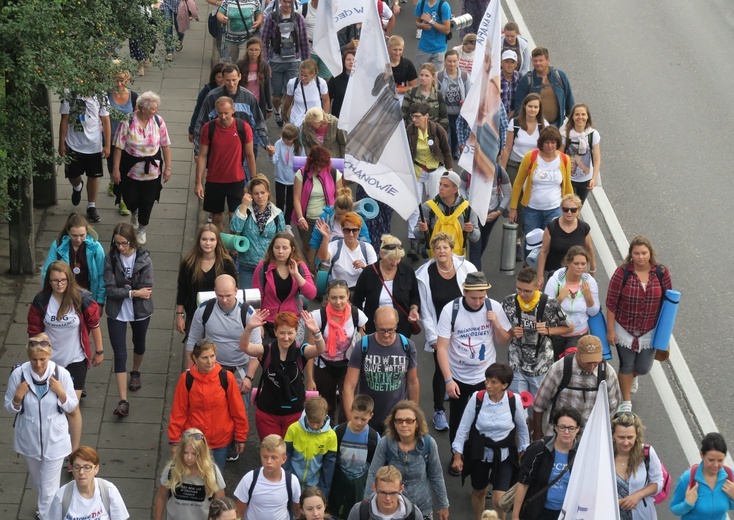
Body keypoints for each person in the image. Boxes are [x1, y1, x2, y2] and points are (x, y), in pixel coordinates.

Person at [435, 271, 513, 462]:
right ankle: (457, 456)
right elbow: (442, 348)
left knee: (484, 418)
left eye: (481, 297)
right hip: (459, 376)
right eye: (473, 298)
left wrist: (495, 323)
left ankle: (480, 456)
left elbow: (504, 340)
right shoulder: (450, 310)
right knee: (458, 419)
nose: (478, 302)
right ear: (464, 292)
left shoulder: (493, 307)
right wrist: (448, 380)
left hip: (485, 377)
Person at [28, 262, 102, 452]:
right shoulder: (41, 301)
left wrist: (99, 351)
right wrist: (38, 354)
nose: (59, 284)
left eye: (63, 280)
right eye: (55, 280)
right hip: (50, 364)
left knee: (71, 407)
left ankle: (73, 451)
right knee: (51, 407)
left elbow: (94, 325)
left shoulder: (80, 299)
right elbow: (34, 331)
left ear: (69, 280)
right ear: (49, 281)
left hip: (75, 361)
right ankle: (55, 445)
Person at [5, 335, 79, 520]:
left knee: (48, 489)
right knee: (39, 483)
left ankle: (48, 515)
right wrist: (17, 398)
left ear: (50, 356)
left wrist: (61, 393)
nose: (38, 364)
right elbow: (8, 407)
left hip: (56, 440)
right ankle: (50, 506)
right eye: (34, 360)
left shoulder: (60, 374)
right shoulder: (19, 374)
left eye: (42, 359)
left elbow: (72, 407)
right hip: (29, 440)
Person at [416, 232, 478, 432]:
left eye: (445, 247)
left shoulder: (467, 268)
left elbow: (477, 299)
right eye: (438, 248)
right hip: (441, 329)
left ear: (453, 250)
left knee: (465, 366)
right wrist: (432, 336)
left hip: (464, 329)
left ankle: (468, 407)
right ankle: (439, 410)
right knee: (441, 369)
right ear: (433, 251)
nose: (442, 251)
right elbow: (425, 309)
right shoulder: (424, 273)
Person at [451, 363, 530, 520]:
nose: (488, 384)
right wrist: (457, 456)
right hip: (480, 452)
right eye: (487, 380)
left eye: (493, 382)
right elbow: (463, 428)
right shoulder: (477, 398)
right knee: (479, 491)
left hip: (504, 454)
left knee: (499, 500)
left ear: (505, 385)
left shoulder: (515, 401)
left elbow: (522, 429)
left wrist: (523, 452)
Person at [606, 236, 672, 413]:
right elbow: (611, 302)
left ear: (650, 253)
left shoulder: (661, 272)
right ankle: (625, 401)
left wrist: (665, 332)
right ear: (631, 254)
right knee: (626, 365)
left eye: (644, 253)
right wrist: (610, 330)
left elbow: (669, 302)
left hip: (649, 330)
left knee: (643, 367)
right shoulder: (623, 273)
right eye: (637, 253)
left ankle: (631, 378)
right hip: (624, 328)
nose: (641, 257)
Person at [241, 310, 325, 439]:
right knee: (271, 453)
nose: (286, 338)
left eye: (290, 333)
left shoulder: (301, 351)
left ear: (296, 332)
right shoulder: (266, 350)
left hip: (295, 413)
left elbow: (320, 349)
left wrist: (316, 332)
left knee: (290, 454)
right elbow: (245, 347)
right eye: (282, 333)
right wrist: (249, 328)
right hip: (267, 413)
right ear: (275, 332)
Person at [186, 274, 263, 413]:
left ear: (236, 291)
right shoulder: (204, 310)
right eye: (220, 295)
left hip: (239, 370)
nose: (224, 300)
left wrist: (249, 377)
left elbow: (257, 350)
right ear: (215, 291)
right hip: (211, 369)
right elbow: (192, 341)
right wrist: (188, 371)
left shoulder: (247, 313)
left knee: (239, 412)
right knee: (210, 410)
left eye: (228, 295)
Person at [168, 340, 249, 470]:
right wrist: (174, 439)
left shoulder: (226, 377)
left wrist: (240, 437)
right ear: (195, 358)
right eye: (204, 358)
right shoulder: (186, 379)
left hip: (221, 440)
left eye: (212, 356)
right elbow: (179, 411)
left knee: (215, 480)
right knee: (195, 480)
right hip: (194, 441)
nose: (209, 361)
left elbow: (238, 410)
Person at [364, 401, 449, 520]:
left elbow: (436, 476)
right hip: (392, 511)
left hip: (422, 509)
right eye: (399, 420)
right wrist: (367, 505)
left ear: (417, 423)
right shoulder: (385, 444)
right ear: (394, 424)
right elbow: (373, 473)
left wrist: (443, 504)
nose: (404, 424)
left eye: (409, 421)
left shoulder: (429, 444)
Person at [342, 307, 420, 434]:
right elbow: (349, 387)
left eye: (391, 330)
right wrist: (353, 422)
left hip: (397, 418)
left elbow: (412, 382)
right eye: (381, 330)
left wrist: (413, 415)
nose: (387, 334)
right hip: (367, 417)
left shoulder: (407, 346)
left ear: (397, 323)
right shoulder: (362, 346)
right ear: (374, 324)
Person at [104, 222, 154, 417]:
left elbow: (147, 290)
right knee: (119, 353)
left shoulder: (144, 259)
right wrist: (133, 292)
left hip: (140, 311)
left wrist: (124, 290)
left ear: (132, 241)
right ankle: (123, 400)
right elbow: (109, 289)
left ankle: (136, 371)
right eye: (117, 243)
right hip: (116, 311)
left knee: (139, 344)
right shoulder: (111, 258)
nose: (120, 247)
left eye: (124, 243)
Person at [111, 91, 172, 244]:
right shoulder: (128, 121)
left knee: (148, 201)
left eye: (156, 108)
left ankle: (142, 228)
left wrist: (168, 168)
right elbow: (118, 147)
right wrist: (116, 169)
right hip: (131, 170)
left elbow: (165, 145)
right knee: (131, 199)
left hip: (152, 170)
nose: (156, 111)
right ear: (142, 109)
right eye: (153, 109)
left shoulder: (158, 121)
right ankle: (134, 212)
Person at [531, 335, 621, 439]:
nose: (592, 367)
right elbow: (539, 404)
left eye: (595, 362)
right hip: (560, 434)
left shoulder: (608, 373)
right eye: (587, 362)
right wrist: (537, 433)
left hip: (591, 436)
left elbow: (613, 409)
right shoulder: (559, 369)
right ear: (577, 355)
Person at [501, 267, 573, 396]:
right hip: (516, 360)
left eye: (527, 291)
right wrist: (512, 332)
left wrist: (548, 330)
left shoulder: (550, 304)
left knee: (537, 406)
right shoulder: (509, 302)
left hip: (542, 363)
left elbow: (569, 327)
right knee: (519, 403)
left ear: (538, 286)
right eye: (519, 289)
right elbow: (501, 330)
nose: (522, 294)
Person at [307, 279, 368, 422]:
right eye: (334, 297)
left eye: (342, 297)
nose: (338, 302)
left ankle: (342, 435)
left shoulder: (357, 315)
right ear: (327, 297)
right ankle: (327, 435)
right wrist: (310, 379)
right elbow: (310, 351)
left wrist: (361, 371)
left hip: (348, 365)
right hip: (324, 366)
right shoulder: (318, 316)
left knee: (348, 405)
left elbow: (362, 346)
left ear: (348, 296)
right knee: (326, 407)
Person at [195, 96, 257, 230]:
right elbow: (202, 155)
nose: (223, 116)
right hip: (214, 180)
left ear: (233, 110)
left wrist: (254, 181)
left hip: (236, 180)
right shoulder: (209, 128)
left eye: (226, 113)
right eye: (219, 113)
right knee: (216, 217)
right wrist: (198, 182)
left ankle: (233, 249)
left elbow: (250, 155)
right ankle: (221, 246)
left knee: (235, 216)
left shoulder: (243, 127)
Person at [511, 406, 583, 520]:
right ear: (555, 427)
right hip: (538, 512)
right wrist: (515, 516)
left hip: (567, 513)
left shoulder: (582, 452)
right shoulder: (539, 449)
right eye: (562, 427)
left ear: (578, 429)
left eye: (571, 428)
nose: (566, 432)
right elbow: (524, 483)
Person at [405, 102, 454, 259]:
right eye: (412, 116)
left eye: (417, 116)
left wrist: (450, 171)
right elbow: (406, 151)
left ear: (426, 116)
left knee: (434, 205)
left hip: (435, 170)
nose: (414, 119)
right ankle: (413, 241)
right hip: (417, 170)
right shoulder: (410, 130)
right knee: (413, 206)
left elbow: (446, 150)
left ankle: (432, 239)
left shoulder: (436, 129)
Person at [193, 64, 272, 159]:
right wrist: (198, 151)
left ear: (240, 77)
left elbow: (258, 122)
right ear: (222, 79)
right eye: (227, 80)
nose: (231, 84)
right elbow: (201, 124)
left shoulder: (248, 98)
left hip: (244, 149)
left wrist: (266, 143)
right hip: (220, 149)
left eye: (234, 80)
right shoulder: (212, 97)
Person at [508, 126, 573, 240]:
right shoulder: (530, 156)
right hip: (531, 210)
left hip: (554, 210)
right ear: (541, 143)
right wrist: (513, 208)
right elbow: (518, 184)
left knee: (551, 243)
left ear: (557, 143)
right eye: (547, 142)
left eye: (553, 142)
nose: (550, 146)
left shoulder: (564, 159)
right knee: (531, 244)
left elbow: (567, 185)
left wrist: (571, 209)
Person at [352, 236, 421, 338]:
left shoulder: (407, 271)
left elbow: (415, 296)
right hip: (373, 329)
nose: (395, 262)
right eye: (391, 259)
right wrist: (360, 327)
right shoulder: (368, 273)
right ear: (381, 253)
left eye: (398, 258)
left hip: (401, 329)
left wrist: (414, 309)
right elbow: (357, 301)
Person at [252, 233, 317, 340]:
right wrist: (258, 323)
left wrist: (296, 274)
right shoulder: (263, 266)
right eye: (277, 247)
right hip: (268, 321)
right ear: (272, 248)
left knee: (293, 355)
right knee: (268, 355)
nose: (280, 251)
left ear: (292, 249)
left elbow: (311, 294)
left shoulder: (299, 266)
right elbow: (256, 297)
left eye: (285, 248)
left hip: (292, 320)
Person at [176, 224, 237, 337]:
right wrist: (179, 315)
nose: (208, 243)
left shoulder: (226, 264)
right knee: (196, 350)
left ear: (217, 241)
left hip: (220, 315)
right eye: (204, 239)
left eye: (212, 239)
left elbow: (234, 291)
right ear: (199, 240)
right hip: (194, 314)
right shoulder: (189, 263)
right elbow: (182, 290)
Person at [59, 92, 111, 224]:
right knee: (73, 175)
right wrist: (61, 144)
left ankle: (91, 206)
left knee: (94, 176)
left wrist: (107, 145)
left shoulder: (101, 95)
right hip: (74, 143)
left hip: (94, 144)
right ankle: (77, 187)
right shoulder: (69, 93)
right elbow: (64, 119)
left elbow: (106, 120)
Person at [155, 428, 226, 520]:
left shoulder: (212, 472)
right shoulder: (172, 469)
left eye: (194, 454)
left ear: (202, 453)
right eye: (185, 453)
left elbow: (221, 504)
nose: (189, 457)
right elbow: (161, 498)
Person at [543, 246, 600, 359]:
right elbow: (545, 311)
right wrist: (559, 299)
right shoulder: (554, 281)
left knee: (570, 365)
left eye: (583, 264)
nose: (580, 267)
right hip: (557, 334)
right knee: (555, 368)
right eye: (576, 263)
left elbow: (593, 312)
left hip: (579, 334)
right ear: (567, 263)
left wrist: (588, 297)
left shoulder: (589, 282)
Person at [230, 174, 286, 288]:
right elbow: (235, 228)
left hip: (269, 266)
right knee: (249, 300)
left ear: (268, 193)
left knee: (266, 301)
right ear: (251, 195)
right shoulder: (245, 209)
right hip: (247, 266)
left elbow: (282, 239)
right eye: (256, 193)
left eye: (263, 192)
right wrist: (244, 206)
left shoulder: (277, 214)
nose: (260, 196)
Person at [293, 146, 344, 271]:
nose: (320, 168)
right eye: (317, 165)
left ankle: (320, 272)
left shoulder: (334, 174)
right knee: (308, 248)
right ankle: (311, 272)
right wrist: (300, 218)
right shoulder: (301, 173)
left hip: (327, 220)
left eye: (322, 165)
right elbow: (296, 198)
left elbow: (340, 199)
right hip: (306, 219)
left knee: (324, 248)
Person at [330, 395, 381, 518]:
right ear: (350, 411)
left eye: (363, 419)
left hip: (360, 484)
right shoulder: (338, 431)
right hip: (339, 480)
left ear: (371, 416)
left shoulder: (374, 437)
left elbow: (376, 465)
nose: (359, 422)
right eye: (356, 417)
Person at [261, 0, 310, 126]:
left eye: (289, 2)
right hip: (276, 61)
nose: (287, 5)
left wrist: (307, 63)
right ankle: (277, 109)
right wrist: (266, 63)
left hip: (294, 62)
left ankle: (288, 119)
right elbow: (264, 41)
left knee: (292, 94)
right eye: (284, 1)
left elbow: (304, 41)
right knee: (276, 96)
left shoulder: (299, 18)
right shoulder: (271, 18)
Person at [42, 211, 106, 308]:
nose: (78, 239)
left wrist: (100, 302)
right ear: (68, 231)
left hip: (88, 297)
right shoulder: (57, 245)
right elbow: (47, 272)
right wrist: (45, 297)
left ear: (87, 231)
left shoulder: (96, 248)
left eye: (82, 235)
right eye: (74, 235)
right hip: (63, 297)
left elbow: (102, 275)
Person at [50, 446, 130, 520]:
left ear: (96, 469)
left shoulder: (108, 491)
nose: (81, 472)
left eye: (87, 467)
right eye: (77, 467)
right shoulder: (62, 496)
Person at [415, 170, 480, 259]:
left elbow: (476, 237)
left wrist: (471, 230)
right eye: (440, 184)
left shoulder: (467, 208)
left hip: (457, 260)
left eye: (445, 186)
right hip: (434, 259)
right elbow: (417, 234)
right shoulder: (428, 207)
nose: (441, 188)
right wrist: (422, 229)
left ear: (455, 189)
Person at [234, 434, 302, 519]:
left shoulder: (292, 481)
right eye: (265, 457)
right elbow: (239, 512)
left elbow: (297, 511)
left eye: (274, 457)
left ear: (284, 459)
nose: (268, 461)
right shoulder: (249, 479)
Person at [612, 412, 663, 520]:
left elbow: (658, 482)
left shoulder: (647, 452)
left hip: (643, 515)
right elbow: (592, 490)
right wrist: (615, 502)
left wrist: (636, 496)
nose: (626, 442)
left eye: (630, 437)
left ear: (636, 436)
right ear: (613, 435)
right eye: (621, 437)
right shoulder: (603, 456)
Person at [536, 194, 596, 286]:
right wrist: (540, 276)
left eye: (573, 210)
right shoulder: (552, 226)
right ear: (561, 209)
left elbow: (589, 248)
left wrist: (592, 268)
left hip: (577, 275)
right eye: (565, 209)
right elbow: (544, 251)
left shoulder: (584, 228)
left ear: (578, 210)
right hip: (554, 273)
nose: (569, 212)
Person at [670, 432, 734, 519]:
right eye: (711, 460)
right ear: (702, 455)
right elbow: (674, 509)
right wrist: (688, 504)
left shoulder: (730, 476)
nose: (716, 465)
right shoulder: (687, 478)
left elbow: (730, 507)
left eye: (720, 460)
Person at [285, 396, 338, 496]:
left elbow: (328, 468)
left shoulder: (331, 436)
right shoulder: (293, 429)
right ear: (306, 415)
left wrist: (324, 493)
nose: (314, 426)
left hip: (314, 485)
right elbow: (286, 456)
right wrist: (287, 478)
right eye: (311, 422)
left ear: (325, 416)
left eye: (318, 423)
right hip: (293, 481)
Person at [467, 161, 512, 273]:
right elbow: (461, 187)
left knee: (483, 238)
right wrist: (466, 205)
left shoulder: (500, 171)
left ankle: (473, 264)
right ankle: (475, 276)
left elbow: (508, 194)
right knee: (475, 245)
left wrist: (498, 212)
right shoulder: (468, 169)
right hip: (473, 214)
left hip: (491, 214)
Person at [513, 47, 574, 128]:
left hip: (558, 125)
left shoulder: (560, 76)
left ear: (548, 60)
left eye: (541, 60)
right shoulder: (526, 80)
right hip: (535, 127)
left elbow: (569, 100)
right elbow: (519, 105)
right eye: (535, 61)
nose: (538, 63)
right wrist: (523, 125)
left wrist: (573, 122)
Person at [315, 212, 377, 289]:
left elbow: (376, 271)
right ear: (342, 230)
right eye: (347, 230)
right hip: (339, 290)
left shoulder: (367, 247)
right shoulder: (335, 245)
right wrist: (326, 237)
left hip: (360, 291)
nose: (351, 234)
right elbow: (322, 257)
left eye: (354, 230)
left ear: (359, 230)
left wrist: (365, 266)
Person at [107, 66, 137, 216]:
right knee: (113, 168)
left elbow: (137, 118)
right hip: (111, 139)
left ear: (127, 79)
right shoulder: (106, 95)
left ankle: (122, 201)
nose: (118, 84)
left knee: (124, 171)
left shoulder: (133, 96)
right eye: (115, 80)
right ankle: (113, 181)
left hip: (127, 141)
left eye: (121, 80)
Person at [309, 187, 371, 254]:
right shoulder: (324, 218)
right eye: (338, 214)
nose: (341, 217)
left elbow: (365, 240)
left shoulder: (358, 219)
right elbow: (315, 241)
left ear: (350, 211)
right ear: (334, 208)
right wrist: (311, 262)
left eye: (345, 215)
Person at [348, 465, 423, 520]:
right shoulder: (359, 511)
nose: (388, 498)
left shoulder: (414, 515)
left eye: (393, 493)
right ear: (374, 487)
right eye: (383, 492)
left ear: (401, 489)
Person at [561, 103, 601, 203]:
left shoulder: (592, 134)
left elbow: (596, 158)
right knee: (570, 205)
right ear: (572, 117)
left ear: (587, 116)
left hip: (586, 179)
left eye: (583, 114)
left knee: (578, 207)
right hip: (569, 178)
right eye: (577, 114)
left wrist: (594, 178)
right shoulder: (565, 134)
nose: (580, 117)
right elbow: (559, 156)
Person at [438, 50, 472, 159]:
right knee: (446, 135)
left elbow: (469, 94)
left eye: (454, 61)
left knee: (456, 134)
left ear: (458, 61)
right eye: (449, 61)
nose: (452, 64)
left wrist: (465, 102)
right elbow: (436, 93)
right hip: (445, 113)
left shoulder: (465, 76)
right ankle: (447, 154)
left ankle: (455, 152)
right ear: (445, 61)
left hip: (459, 113)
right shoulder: (439, 77)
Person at [401, 63, 449, 133]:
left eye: (427, 76)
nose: (423, 78)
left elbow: (444, 119)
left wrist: (439, 135)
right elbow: (403, 115)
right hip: (413, 133)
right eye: (421, 75)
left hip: (432, 134)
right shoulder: (411, 93)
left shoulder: (438, 95)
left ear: (433, 77)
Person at [283, 59, 330, 129]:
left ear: (313, 74)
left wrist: (325, 117)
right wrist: (284, 114)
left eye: (306, 76)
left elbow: (326, 101)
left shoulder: (321, 83)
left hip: (315, 122)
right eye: (301, 74)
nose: (302, 78)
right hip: (296, 122)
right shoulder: (293, 83)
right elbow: (288, 100)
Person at [235, 37, 274, 121]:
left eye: (256, 50)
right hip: (243, 102)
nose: (254, 52)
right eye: (251, 49)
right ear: (247, 50)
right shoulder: (240, 64)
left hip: (258, 103)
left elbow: (267, 85)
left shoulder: (264, 65)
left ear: (260, 51)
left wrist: (269, 106)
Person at [270, 123, 301, 224]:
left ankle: (287, 223)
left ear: (295, 137)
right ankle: (278, 222)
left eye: (289, 139)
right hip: (280, 177)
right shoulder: (279, 143)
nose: (286, 141)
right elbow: (274, 160)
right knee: (280, 201)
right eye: (284, 138)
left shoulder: (300, 147)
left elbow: (302, 163)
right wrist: (271, 155)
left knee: (290, 203)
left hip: (293, 179)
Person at [189, 63, 226, 143]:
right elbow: (198, 110)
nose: (222, 80)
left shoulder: (230, 91)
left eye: (224, 77)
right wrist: (192, 130)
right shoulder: (207, 91)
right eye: (219, 77)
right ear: (214, 78)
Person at [414, 0, 451, 71]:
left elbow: (447, 30)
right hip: (424, 47)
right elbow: (417, 23)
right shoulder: (421, 3)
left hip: (439, 49)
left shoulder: (444, 6)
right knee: (422, 76)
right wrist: (422, 26)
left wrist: (431, 21)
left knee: (436, 78)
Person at [389, 36, 418, 103]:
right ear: (389, 48)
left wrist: (397, 90)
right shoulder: (383, 63)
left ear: (403, 48)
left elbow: (414, 87)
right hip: (385, 99)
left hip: (402, 99)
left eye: (400, 50)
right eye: (395, 50)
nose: (397, 53)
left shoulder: (407, 64)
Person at [328, 50, 355, 119]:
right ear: (343, 62)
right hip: (338, 117)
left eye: (354, 60)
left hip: (354, 118)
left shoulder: (361, 79)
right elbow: (328, 98)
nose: (351, 62)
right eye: (348, 59)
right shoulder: (336, 78)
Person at [500, 50, 520, 119]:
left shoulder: (520, 78)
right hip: (498, 119)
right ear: (501, 63)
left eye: (512, 62)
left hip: (515, 119)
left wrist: (516, 111)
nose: (510, 65)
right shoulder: (494, 79)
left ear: (516, 64)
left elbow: (525, 99)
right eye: (507, 62)